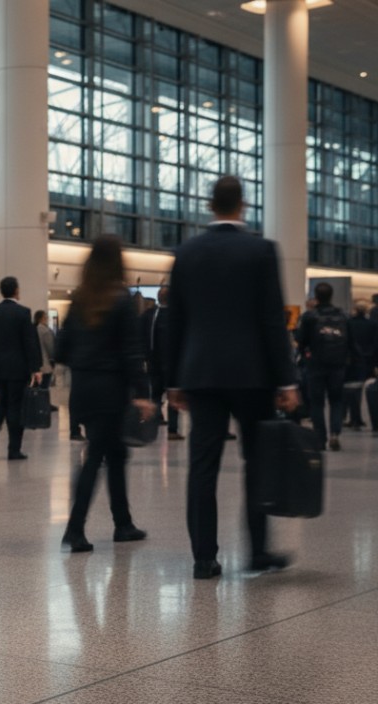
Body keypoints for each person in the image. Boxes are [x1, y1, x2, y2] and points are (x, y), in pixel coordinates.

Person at [166, 176, 299, 580]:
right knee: (256, 463)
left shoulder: (187, 252)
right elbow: (272, 320)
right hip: (252, 374)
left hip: (201, 373)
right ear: (243, 205)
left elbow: (176, 321)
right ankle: (257, 553)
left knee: (202, 466)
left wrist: (173, 381)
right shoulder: (261, 250)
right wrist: (287, 380)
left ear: (211, 206)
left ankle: (204, 559)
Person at [55, 235, 153, 552]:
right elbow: (131, 352)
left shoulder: (80, 299)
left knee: (113, 455)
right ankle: (75, 528)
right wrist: (141, 391)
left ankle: (123, 523)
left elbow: (61, 349)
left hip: (83, 390)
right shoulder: (121, 299)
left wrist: (86, 363)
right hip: (111, 391)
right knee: (99, 456)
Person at [0, 276, 42, 461]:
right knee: (15, 408)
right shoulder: (23, 313)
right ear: (16, 291)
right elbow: (29, 343)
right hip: (17, 369)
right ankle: (14, 450)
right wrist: (36, 368)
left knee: (0, 405)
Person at [295, 282, 349, 451]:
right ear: (331, 296)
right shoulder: (343, 316)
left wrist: (304, 355)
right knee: (337, 400)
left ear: (316, 297)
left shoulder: (310, 317)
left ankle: (320, 437)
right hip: (338, 365)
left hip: (315, 365)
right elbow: (350, 341)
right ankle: (335, 433)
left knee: (316, 402)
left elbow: (301, 341)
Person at [141, 286, 182, 440]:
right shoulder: (176, 316)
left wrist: (145, 357)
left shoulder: (149, 316)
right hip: (172, 363)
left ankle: (156, 422)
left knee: (156, 395)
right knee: (173, 395)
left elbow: (142, 337)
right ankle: (173, 430)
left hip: (153, 362)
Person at [344, 303, 375, 429]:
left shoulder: (349, 324)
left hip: (351, 360)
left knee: (351, 390)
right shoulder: (372, 324)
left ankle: (353, 417)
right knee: (363, 389)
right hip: (367, 360)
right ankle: (358, 418)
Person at [35, 310, 55, 391]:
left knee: (35, 387)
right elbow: (50, 348)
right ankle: (42, 402)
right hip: (45, 364)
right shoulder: (45, 331)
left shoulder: (34, 329)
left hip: (36, 364)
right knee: (45, 387)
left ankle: (35, 402)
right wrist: (53, 360)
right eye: (46, 317)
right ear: (42, 318)